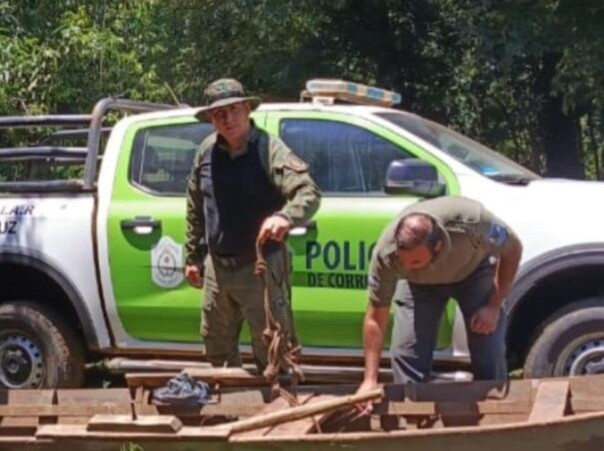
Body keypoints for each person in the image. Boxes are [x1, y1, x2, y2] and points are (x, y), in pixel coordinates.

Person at [184, 78, 321, 374]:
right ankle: (227, 411)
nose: (228, 118)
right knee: (216, 347)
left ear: (247, 108)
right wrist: (192, 257)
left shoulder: (269, 148)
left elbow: (308, 193)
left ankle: (278, 411)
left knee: (273, 348)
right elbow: (195, 206)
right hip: (217, 269)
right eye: (219, 113)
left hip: (259, 267)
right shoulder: (206, 151)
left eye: (234, 109)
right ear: (210, 119)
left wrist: (284, 217)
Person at [357, 195, 522, 405]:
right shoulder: (386, 255)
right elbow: (375, 318)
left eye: (415, 260)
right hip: (417, 285)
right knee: (407, 352)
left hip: (473, 272)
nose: (406, 266)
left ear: (437, 246)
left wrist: (493, 306)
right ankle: (413, 417)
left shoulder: (472, 222)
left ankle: (497, 410)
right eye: (403, 260)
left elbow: (513, 249)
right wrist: (369, 380)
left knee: (488, 347)